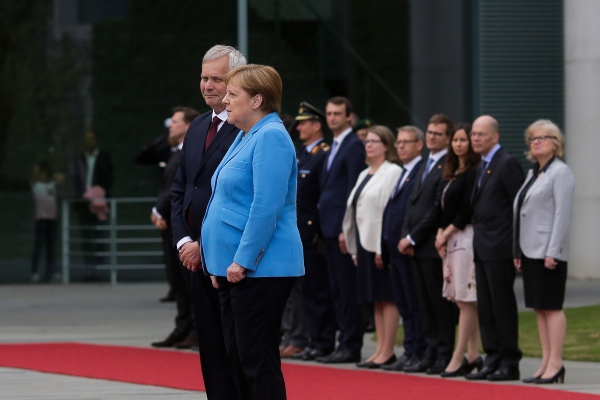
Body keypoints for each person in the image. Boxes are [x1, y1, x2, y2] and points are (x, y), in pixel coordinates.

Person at [200, 64, 304, 400]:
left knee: (257, 361)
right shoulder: (248, 135)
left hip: (261, 268)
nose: (225, 101)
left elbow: (266, 206)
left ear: (257, 99)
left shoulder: (271, 136)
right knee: (239, 359)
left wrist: (242, 261)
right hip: (235, 269)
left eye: (233, 94)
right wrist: (217, 262)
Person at [171, 44, 246, 399]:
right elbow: (181, 190)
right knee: (211, 346)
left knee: (238, 347)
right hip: (194, 258)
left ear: (235, 80)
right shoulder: (199, 126)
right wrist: (185, 242)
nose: (208, 85)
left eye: (217, 78)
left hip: (230, 258)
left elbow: (244, 199)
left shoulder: (247, 129)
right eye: (204, 77)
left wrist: (207, 244)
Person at [513, 120, 574, 384]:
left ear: (556, 142)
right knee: (539, 308)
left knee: (551, 306)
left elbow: (562, 214)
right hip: (529, 250)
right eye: (532, 138)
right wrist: (517, 250)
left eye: (543, 137)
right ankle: (546, 362)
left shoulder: (561, 172)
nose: (536, 142)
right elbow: (521, 214)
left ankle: (557, 363)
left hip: (548, 251)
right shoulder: (533, 173)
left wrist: (554, 251)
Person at [466, 115, 524, 381]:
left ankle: (509, 360)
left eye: (481, 134)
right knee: (486, 307)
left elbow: (519, 207)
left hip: (500, 246)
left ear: (495, 136)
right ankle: (493, 357)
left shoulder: (507, 163)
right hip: (482, 247)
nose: (475, 138)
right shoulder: (482, 165)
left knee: (501, 305)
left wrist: (516, 247)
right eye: (473, 134)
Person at [398, 114, 458, 374]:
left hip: (432, 246)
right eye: (430, 131)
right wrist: (406, 235)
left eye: (438, 133)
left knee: (439, 305)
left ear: (447, 138)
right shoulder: (425, 164)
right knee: (424, 304)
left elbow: (436, 208)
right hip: (416, 248)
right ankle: (430, 352)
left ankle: (443, 354)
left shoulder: (447, 165)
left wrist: (412, 237)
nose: (432, 136)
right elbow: (411, 203)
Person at [342, 125, 402, 368]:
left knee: (387, 297)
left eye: (375, 141)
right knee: (375, 298)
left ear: (387, 146)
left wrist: (381, 248)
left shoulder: (392, 172)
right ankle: (379, 349)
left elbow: (388, 212)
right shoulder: (365, 172)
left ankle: (388, 349)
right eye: (367, 140)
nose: (369, 144)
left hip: (380, 243)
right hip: (363, 242)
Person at [316, 96, 366, 364]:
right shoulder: (332, 146)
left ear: (349, 117)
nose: (332, 118)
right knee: (335, 289)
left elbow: (352, 190)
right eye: (329, 113)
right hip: (328, 227)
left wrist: (347, 229)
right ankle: (343, 342)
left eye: (337, 113)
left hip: (342, 230)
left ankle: (350, 344)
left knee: (347, 290)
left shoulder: (354, 146)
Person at [285, 101, 336, 361]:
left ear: (317, 125)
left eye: (304, 122)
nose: (299, 127)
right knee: (303, 290)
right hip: (296, 231)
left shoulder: (322, 154)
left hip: (310, 232)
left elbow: (320, 196)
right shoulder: (302, 153)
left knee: (317, 290)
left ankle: (322, 340)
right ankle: (311, 340)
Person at [434, 123, 483, 377]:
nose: (459, 144)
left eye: (463, 140)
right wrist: (441, 234)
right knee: (462, 299)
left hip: (464, 237)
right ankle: (473, 354)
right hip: (451, 238)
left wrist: (445, 232)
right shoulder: (454, 171)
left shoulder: (473, 172)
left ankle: (458, 355)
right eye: (456, 140)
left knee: (465, 300)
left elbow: (465, 209)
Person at [150, 106, 199, 350]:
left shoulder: (191, 151)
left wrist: (159, 210)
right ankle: (181, 328)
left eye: (176, 122)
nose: (171, 125)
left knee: (188, 281)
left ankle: (193, 329)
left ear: (188, 125)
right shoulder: (175, 151)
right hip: (172, 224)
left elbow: (177, 189)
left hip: (182, 223)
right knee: (177, 282)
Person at [380, 126, 427, 372]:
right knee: (404, 303)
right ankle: (409, 350)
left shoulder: (421, 170)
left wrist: (409, 238)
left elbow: (415, 211)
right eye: (398, 143)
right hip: (394, 248)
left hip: (409, 248)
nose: (401, 147)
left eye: (406, 142)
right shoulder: (404, 172)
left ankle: (418, 351)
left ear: (419, 145)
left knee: (414, 303)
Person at [70, 130, 113, 269]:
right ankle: (89, 267)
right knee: (86, 236)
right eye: (86, 139)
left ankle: (99, 267)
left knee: (99, 234)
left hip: (99, 203)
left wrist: (99, 194)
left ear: (97, 140)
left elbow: (109, 179)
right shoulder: (79, 159)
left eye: (92, 139)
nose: (89, 142)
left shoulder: (104, 158)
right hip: (83, 203)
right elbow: (74, 179)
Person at [30, 161, 63, 283]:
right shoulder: (36, 185)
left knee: (51, 247)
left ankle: (52, 271)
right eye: (41, 174)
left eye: (45, 174)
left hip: (52, 220)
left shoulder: (51, 185)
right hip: (41, 219)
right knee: (38, 247)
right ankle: (34, 272)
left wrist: (52, 175)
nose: (43, 176)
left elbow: (61, 178)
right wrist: (37, 170)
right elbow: (33, 175)